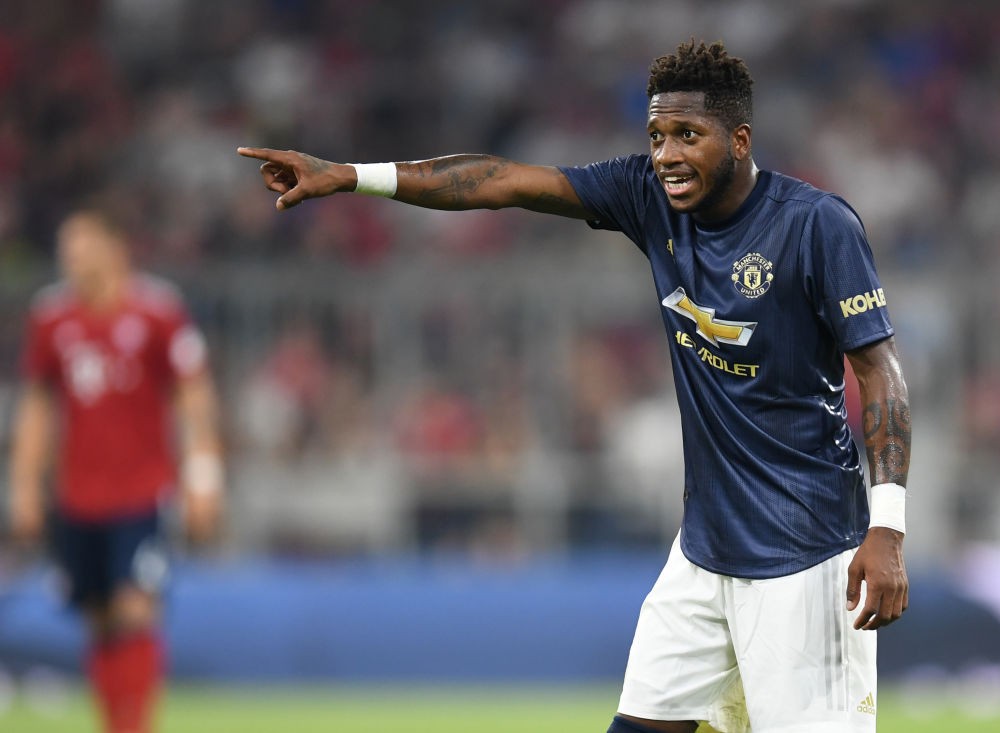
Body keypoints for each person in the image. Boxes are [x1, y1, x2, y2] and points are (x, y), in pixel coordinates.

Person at [238, 39, 911, 733]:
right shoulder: (650, 199)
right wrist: (351, 175)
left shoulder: (815, 225)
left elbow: (881, 374)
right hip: (707, 553)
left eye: (688, 134)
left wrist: (887, 528)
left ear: (739, 140)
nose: (667, 154)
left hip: (807, 555)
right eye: (656, 135)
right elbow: (502, 181)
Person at [7, 206, 224, 733]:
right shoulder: (51, 318)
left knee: (134, 608)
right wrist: (22, 485)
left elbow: (194, 399)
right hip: (77, 495)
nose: (72, 257)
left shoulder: (158, 312)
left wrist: (203, 478)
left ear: (115, 246)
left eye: (81, 244)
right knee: (99, 617)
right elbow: (37, 408)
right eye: (66, 247)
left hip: (142, 491)